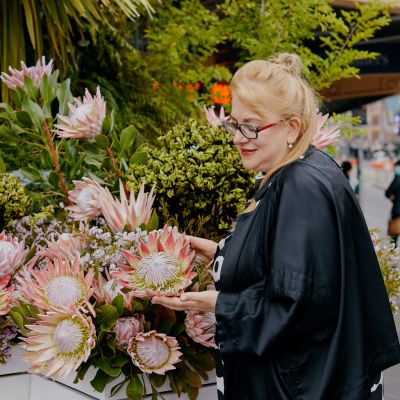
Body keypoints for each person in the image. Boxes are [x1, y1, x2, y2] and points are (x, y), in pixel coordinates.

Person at [152, 53, 400, 399]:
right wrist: (221, 252)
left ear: (292, 128)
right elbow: (291, 265)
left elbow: (297, 303)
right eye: (235, 125)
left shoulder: (300, 185)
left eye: (252, 126)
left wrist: (218, 304)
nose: (239, 138)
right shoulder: (303, 167)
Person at [385, 159, 400, 245]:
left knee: (394, 236)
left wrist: (393, 197)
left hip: (397, 211)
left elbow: (388, 192)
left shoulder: (398, 178)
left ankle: (392, 255)